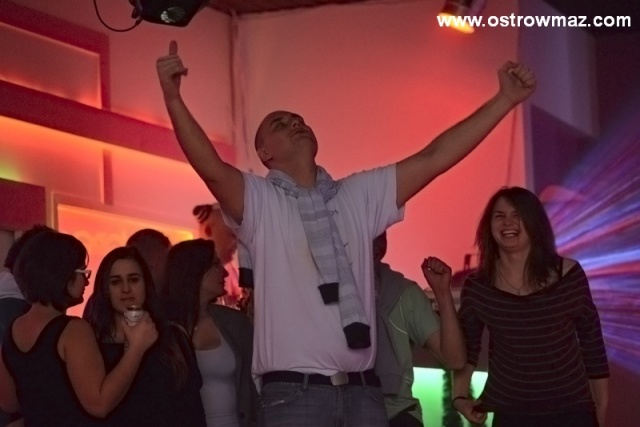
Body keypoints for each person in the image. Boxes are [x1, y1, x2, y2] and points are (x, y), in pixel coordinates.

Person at [156, 39, 535, 426]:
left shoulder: (356, 195)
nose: (296, 123)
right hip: (293, 394)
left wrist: (504, 100)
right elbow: (211, 168)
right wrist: (173, 99)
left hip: (363, 392)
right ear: (264, 154)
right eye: (280, 124)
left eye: (299, 120)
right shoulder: (262, 201)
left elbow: (433, 157)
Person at [452, 187, 610, 427]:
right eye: (499, 216)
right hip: (511, 413)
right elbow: (467, 348)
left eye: (517, 215)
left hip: (571, 410)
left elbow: (592, 342)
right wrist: (459, 398)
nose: (508, 222)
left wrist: (601, 406)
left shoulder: (569, 275)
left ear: (534, 222)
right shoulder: (478, 286)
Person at [0, 231, 157, 426]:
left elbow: (9, 402)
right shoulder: (73, 330)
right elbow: (99, 404)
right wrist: (136, 347)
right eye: (82, 272)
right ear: (62, 275)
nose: (87, 281)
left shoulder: (13, 330)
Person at [83, 246, 206, 426]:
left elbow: (191, 408)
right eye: (116, 282)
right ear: (105, 289)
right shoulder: (92, 343)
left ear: (145, 284)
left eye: (134, 280)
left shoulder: (173, 337)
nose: (126, 289)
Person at [373, 232, 465, 426]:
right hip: (337, 408)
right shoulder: (325, 290)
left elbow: (455, 359)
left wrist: (442, 292)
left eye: (380, 234)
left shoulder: (404, 292)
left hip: (397, 413)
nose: (375, 243)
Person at [161, 238, 256, 427]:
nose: (225, 272)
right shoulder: (164, 328)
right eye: (215, 264)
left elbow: (254, 384)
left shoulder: (235, 323)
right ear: (193, 270)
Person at [193, 203, 243, 307]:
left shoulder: (234, 273)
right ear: (208, 231)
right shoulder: (190, 272)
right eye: (232, 235)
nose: (237, 244)